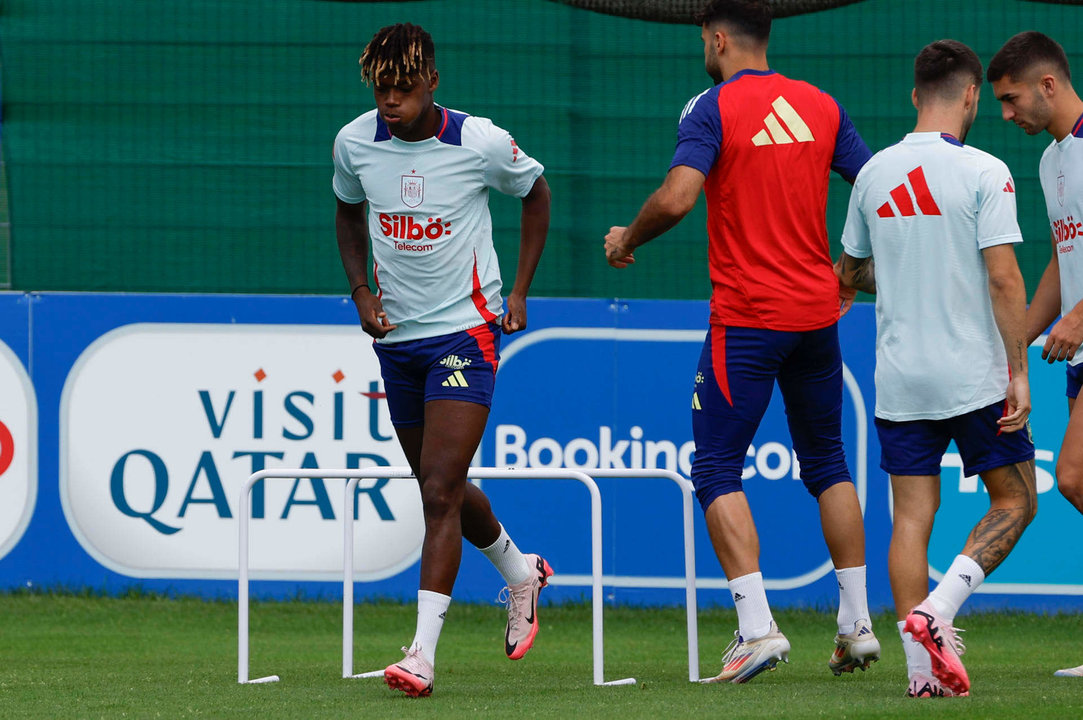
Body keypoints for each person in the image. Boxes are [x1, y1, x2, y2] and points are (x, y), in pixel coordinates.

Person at [604, 0, 880, 684]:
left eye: (703, 36)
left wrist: (625, 238)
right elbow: (873, 188)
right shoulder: (819, 104)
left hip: (750, 319)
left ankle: (756, 630)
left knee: (716, 467)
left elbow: (676, 198)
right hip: (816, 317)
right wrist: (851, 266)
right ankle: (856, 625)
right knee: (827, 464)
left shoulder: (710, 108)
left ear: (717, 38)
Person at [332, 22, 553, 697]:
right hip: (397, 342)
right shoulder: (353, 142)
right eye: (381, 89)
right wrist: (362, 291)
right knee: (444, 490)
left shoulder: (478, 142)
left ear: (432, 81)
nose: (391, 100)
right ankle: (522, 574)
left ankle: (421, 655)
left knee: (436, 492)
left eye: (403, 87)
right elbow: (346, 214)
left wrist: (516, 290)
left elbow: (536, 195)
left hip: (466, 332)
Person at [836, 40, 1037, 698]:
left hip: (900, 378)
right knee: (1016, 499)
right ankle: (938, 611)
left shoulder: (872, 175)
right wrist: (1018, 370)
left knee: (909, 521)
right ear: (972, 95)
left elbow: (850, 272)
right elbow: (1005, 280)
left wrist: (899, 269)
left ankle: (921, 680)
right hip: (971, 375)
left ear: (913, 96)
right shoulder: (985, 170)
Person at [989, 30, 1083, 680]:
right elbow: (1061, 258)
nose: (1004, 113)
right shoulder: (1052, 162)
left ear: (1046, 85)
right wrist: (1015, 339)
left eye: (1010, 97)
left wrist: (1080, 314)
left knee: (1072, 476)